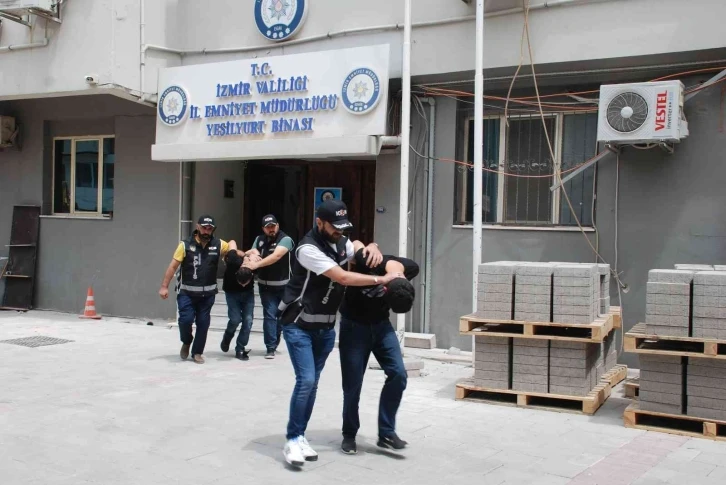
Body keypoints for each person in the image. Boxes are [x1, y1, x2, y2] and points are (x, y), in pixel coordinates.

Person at [279, 200, 403, 467]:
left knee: (312, 383)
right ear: (319, 222)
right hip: (299, 326)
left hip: (324, 328)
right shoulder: (307, 249)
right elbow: (342, 277)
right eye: (335, 227)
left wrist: (372, 246)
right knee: (306, 381)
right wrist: (382, 280)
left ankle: (300, 436)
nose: (340, 232)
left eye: (343, 228)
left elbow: (357, 248)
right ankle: (293, 439)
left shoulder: (340, 242)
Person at [338, 243, 419, 455]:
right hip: (354, 327)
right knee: (352, 384)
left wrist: (395, 273)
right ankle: (349, 434)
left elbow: (408, 266)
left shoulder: (407, 269)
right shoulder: (369, 261)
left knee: (398, 374)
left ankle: (386, 433)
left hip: (382, 326)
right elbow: (356, 245)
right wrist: (371, 245)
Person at [158, 215, 235, 364]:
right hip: (187, 293)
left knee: (203, 323)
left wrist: (240, 252)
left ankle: (197, 352)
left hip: (207, 295)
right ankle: (187, 341)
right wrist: (164, 286)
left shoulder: (218, 244)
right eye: (204, 228)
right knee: (185, 320)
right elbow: (173, 266)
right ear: (198, 227)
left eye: (210, 229)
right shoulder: (185, 245)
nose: (206, 231)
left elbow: (232, 245)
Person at [242, 214, 294, 359]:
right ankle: (270, 347)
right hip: (266, 286)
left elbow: (276, 256)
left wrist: (257, 264)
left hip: (284, 286)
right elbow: (252, 251)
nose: (271, 229)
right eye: (268, 227)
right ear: (263, 229)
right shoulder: (259, 240)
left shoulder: (285, 239)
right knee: (270, 315)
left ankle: (275, 340)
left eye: (273, 226)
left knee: (281, 317)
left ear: (278, 226)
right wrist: (250, 255)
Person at [219, 249, 256, 361]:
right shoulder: (233, 262)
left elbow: (256, 251)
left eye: (246, 282)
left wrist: (254, 255)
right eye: (241, 282)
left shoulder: (254, 265)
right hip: (232, 293)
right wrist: (244, 255)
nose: (243, 285)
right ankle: (228, 336)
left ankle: (240, 348)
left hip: (248, 294)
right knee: (235, 319)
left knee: (248, 321)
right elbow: (232, 245)